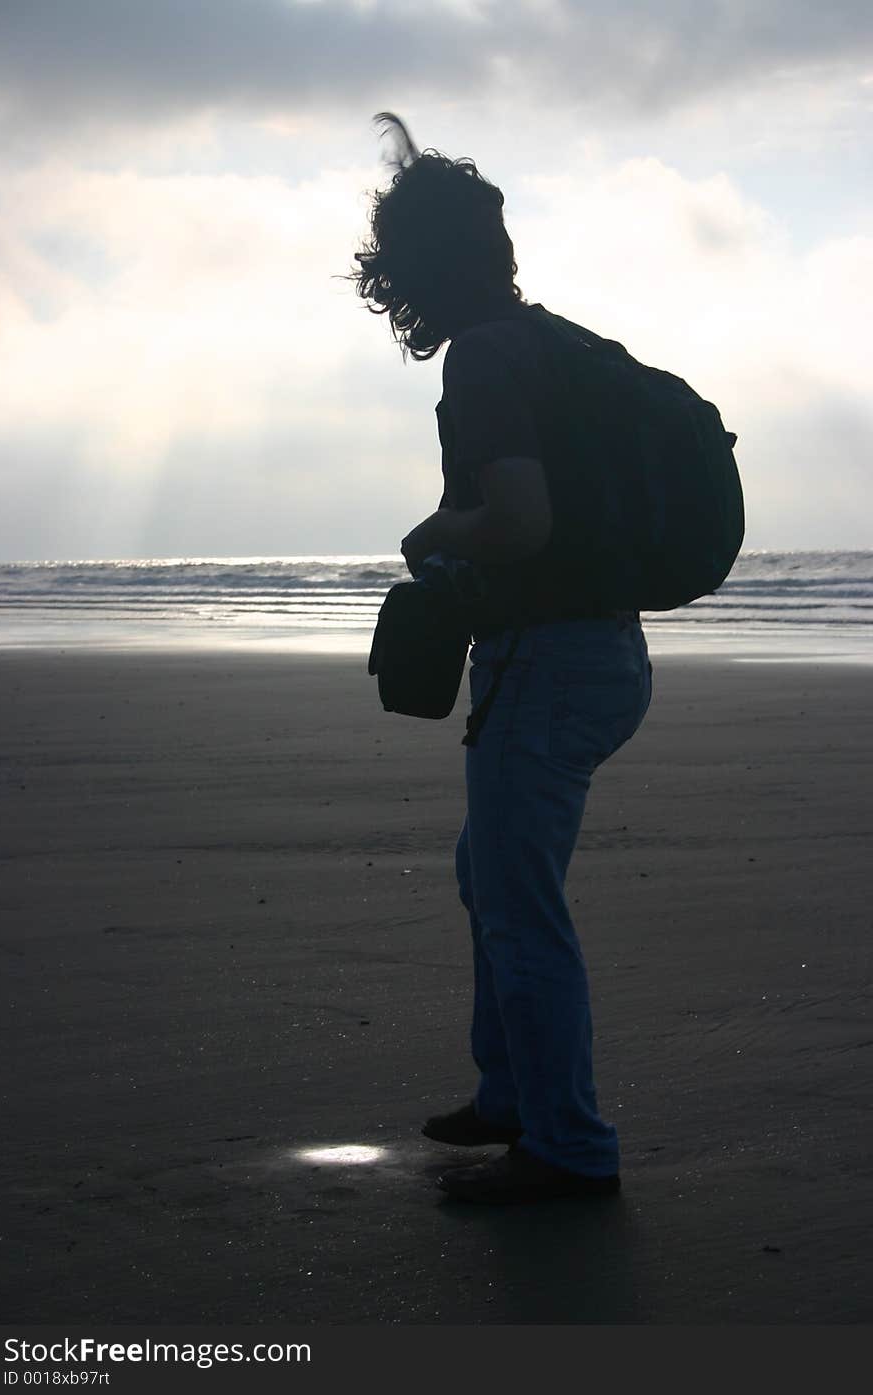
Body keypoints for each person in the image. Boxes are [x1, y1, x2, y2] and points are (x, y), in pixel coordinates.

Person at [349, 114, 653, 1203]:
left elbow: (518, 522)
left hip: (548, 661)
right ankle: (509, 1094)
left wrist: (434, 538)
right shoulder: (549, 340)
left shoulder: (483, 356)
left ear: (412, 269)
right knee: (494, 874)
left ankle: (566, 1147)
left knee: (520, 903)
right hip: (602, 650)